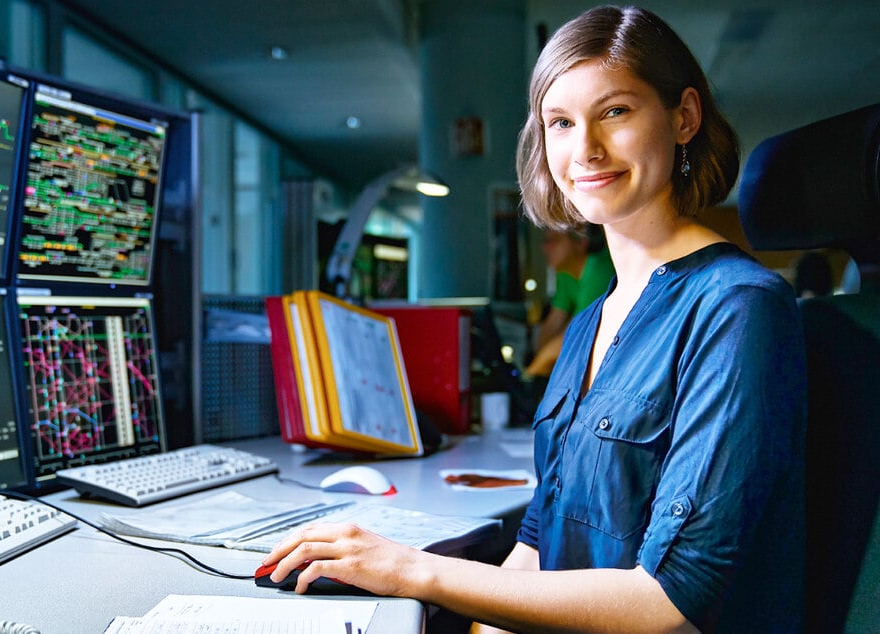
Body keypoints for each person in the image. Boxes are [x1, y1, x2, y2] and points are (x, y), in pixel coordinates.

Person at [261, 6, 807, 633]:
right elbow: (537, 550)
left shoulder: (738, 307)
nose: (585, 149)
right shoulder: (587, 326)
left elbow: (672, 606)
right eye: (561, 122)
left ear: (683, 117)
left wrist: (413, 570)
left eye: (616, 112)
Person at [527, 223, 614, 377]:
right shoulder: (566, 272)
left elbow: (577, 333)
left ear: (580, 243)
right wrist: (539, 363)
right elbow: (553, 323)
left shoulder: (598, 269)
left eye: (554, 240)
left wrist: (531, 373)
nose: (545, 248)